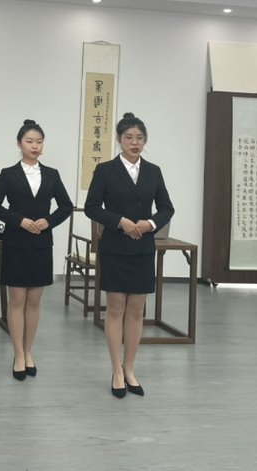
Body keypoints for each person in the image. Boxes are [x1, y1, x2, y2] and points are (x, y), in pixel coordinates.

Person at [84, 112, 174, 398]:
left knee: (136, 310)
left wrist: (150, 224)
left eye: (139, 138)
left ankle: (130, 367)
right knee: (115, 309)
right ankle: (116, 370)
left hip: (142, 247)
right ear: (119, 140)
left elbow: (166, 208)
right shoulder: (106, 170)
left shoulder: (154, 171)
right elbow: (92, 207)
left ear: (144, 141)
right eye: (129, 138)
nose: (135, 143)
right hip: (115, 247)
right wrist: (120, 221)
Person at [0, 119, 73, 380]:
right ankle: (17, 354)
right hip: (16, 241)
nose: (35, 146)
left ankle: (28, 351)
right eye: (29, 141)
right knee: (17, 300)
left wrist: (48, 221)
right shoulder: (8, 174)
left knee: (34, 301)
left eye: (39, 142)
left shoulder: (52, 174)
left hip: (41, 243)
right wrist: (19, 220)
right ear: (19, 144)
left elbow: (66, 206)